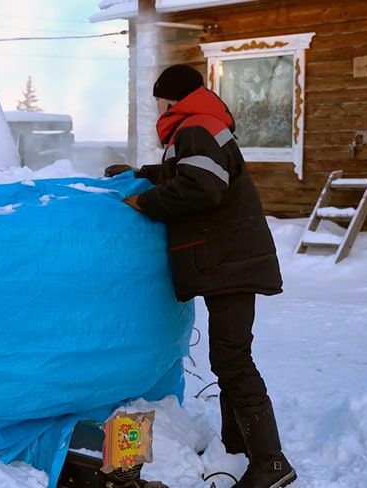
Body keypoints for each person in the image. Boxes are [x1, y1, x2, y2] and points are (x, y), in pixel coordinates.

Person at [106, 64, 296, 488]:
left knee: (233, 359)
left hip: (229, 259)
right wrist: (144, 174)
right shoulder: (201, 127)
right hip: (228, 258)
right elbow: (198, 173)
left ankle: (272, 462)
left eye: (157, 99)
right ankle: (237, 447)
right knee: (228, 358)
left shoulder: (194, 128)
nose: (156, 106)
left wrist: (148, 202)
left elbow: (204, 187)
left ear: (170, 99)